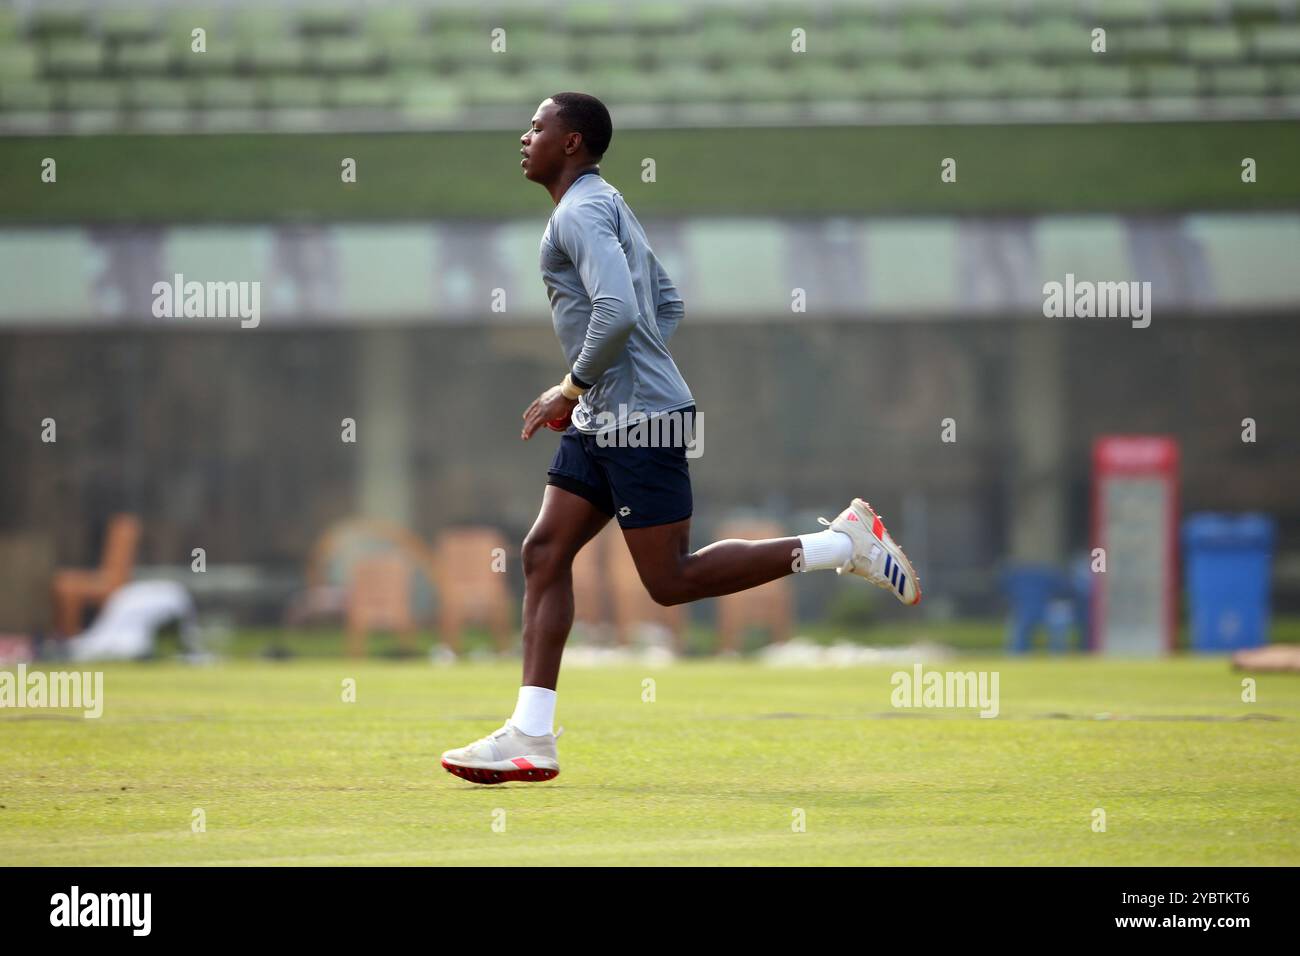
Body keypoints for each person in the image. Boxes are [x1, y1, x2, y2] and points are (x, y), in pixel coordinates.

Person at [441, 93, 920, 785]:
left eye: (538, 127)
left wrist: (572, 387)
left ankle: (846, 544)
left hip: (637, 419)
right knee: (544, 552)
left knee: (669, 581)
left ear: (571, 142)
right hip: (609, 413)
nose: (525, 137)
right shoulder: (602, 202)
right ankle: (532, 736)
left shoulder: (580, 211)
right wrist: (611, 380)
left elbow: (620, 308)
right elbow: (665, 304)